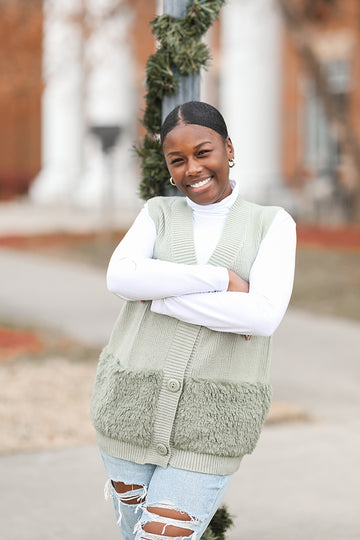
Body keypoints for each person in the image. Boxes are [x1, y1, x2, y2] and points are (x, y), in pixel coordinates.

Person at [90, 101, 296, 539]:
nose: (192, 169)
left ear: (229, 150)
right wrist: (220, 279)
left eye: (203, 153)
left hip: (209, 428)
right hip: (130, 412)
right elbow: (119, 276)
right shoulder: (157, 215)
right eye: (177, 160)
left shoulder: (271, 224)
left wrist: (159, 296)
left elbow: (261, 315)